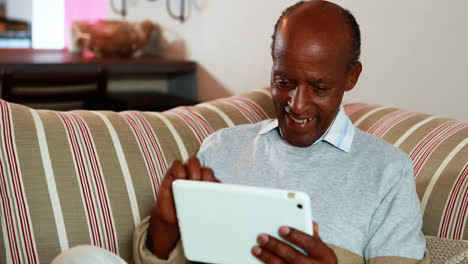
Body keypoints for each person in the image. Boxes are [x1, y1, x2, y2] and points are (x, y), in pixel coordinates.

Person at [53, 1, 429, 263]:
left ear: (352, 77)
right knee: (80, 258)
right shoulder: (222, 147)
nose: (296, 104)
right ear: (272, 65)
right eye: (283, 81)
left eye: (318, 88)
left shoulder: (387, 171)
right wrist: (164, 227)